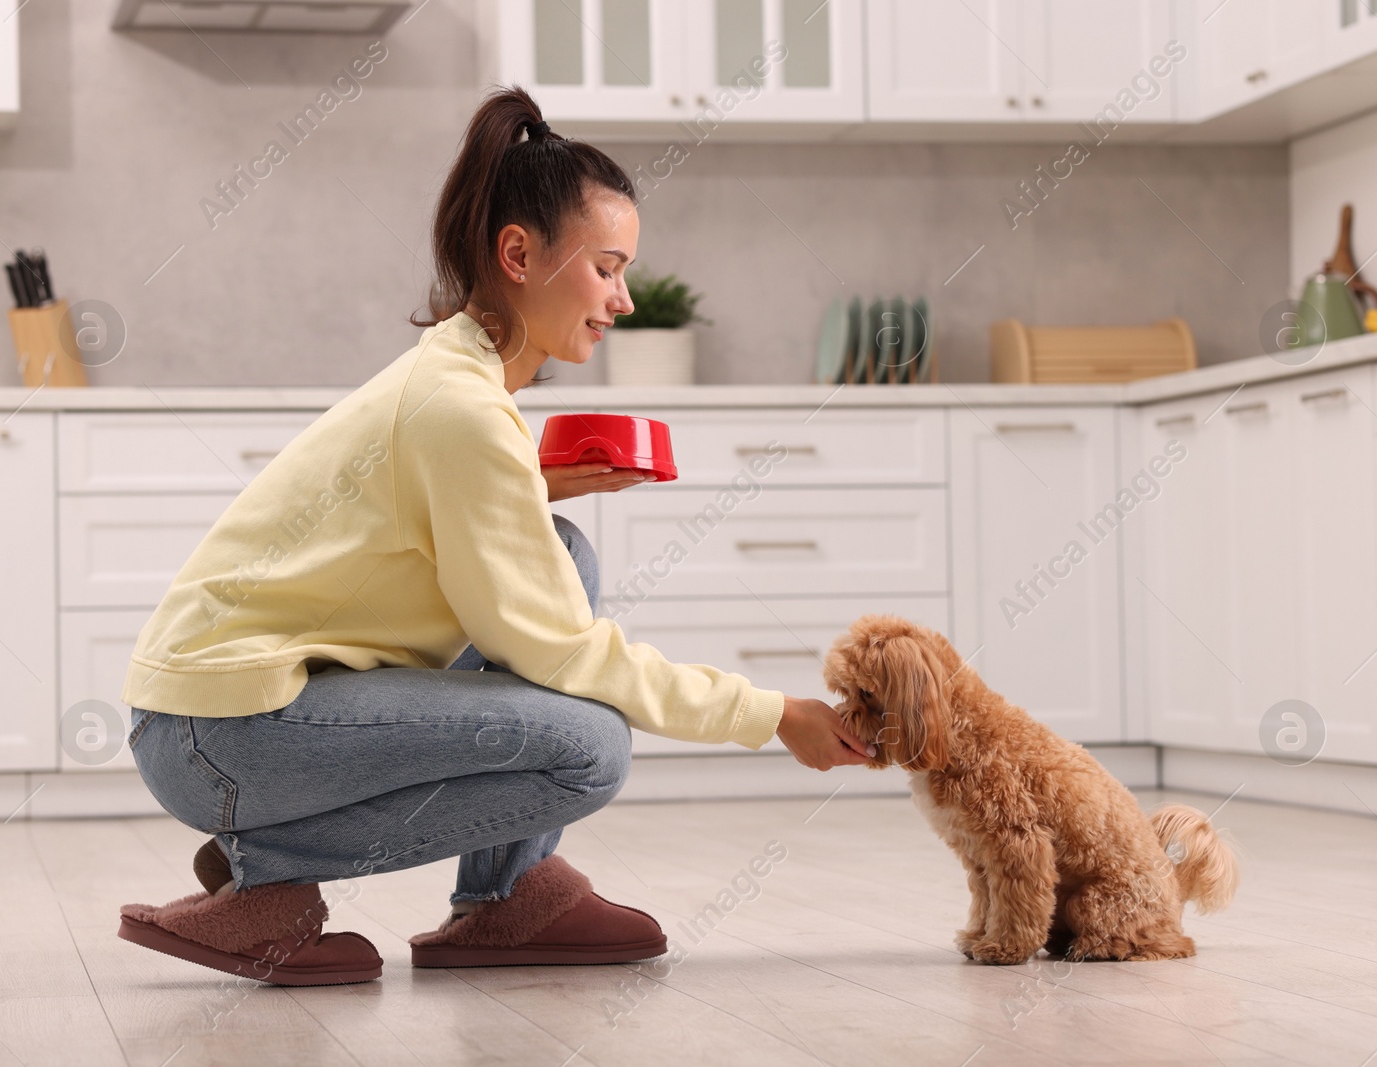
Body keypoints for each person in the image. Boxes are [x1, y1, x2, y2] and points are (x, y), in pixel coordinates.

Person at [115, 85, 874, 986]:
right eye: (607, 267)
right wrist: (774, 714)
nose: (623, 299)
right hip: (217, 732)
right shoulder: (462, 408)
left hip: (232, 714)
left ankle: (504, 896)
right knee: (590, 747)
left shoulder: (462, 379)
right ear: (519, 253)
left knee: (566, 552)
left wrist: (527, 487)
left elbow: (413, 524)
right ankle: (264, 878)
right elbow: (557, 648)